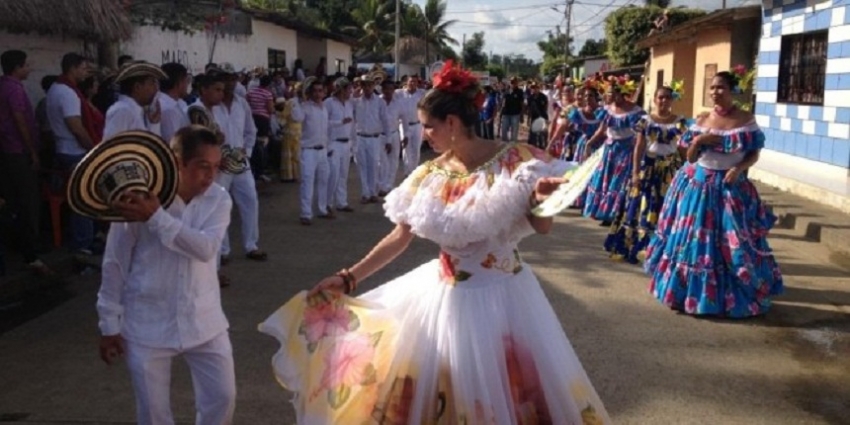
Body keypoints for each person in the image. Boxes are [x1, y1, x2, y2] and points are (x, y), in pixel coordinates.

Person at [259, 61, 610, 424]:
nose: (423, 133)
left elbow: (543, 226)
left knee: (514, 392)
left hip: (507, 298)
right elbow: (399, 237)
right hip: (447, 299)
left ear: (453, 124)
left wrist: (538, 199)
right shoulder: (429, 174)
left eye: (429, 126)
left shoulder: (515, 159)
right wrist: (349, 277)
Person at [97, 126, 236, 425]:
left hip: (205, 320)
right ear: (176, 162)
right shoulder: (135, 201)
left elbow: (206, 248)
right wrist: (109, 323)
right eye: (202, 167)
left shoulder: (219, 199)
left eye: (215, 168)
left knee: (223, 397)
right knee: (153, 413)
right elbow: (114, 264)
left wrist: (157, 218)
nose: (210, 177)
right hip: (147, 321)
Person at [644, 71, 783, 318]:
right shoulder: (702, 119)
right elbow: (689, 157)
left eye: (720, 88)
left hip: (731, 189)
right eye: (712, 88)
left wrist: (739, 169)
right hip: (700, 188)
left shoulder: (745, 119)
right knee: (695, 242)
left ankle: (732, 296)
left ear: (732, 91)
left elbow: (753, 152)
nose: (715, 92)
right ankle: (687, 295)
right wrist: (698, 142)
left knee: (733, 243)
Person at [604, 85, 687, 264]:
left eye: (667, 97)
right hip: (648, 168)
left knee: (669, 206)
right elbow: (639, 147)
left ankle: (666, 251)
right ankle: (638, 247)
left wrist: (687, 170)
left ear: (672, 100)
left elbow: (682, 148)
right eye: (660, 97)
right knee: (641, 205)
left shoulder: (679, 121)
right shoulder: (645, 120)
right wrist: (635, 173)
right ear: (654, 99)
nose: (663, 101)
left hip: (670, 169)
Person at [0, 49, 53, 275]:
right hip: (17, 151)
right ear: (17, 68)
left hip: (7, 151)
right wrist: (32, 151)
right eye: (27, 65)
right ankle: (30, 253)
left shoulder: (4, 86)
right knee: (28, 202)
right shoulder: (13, 89)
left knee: (12, 201)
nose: (30, 69)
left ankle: (20, 247)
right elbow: (20, 120)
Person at [47, 52, 99, 254]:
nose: (86, 72)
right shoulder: (68, 93)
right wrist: (93, 149)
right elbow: (76, 127)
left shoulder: (56, 89)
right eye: (83, 68)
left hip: (64, 148)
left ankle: (86, 238)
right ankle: (83, 242)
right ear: (73, 68)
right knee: (83, 198)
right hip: (73, 150)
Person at [213, 67, 265, 263]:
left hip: (241, 160)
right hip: (220, 163)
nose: (230, 84)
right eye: (226, 80)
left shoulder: (241, 103)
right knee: (220, 204)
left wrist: (248, 152)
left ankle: (251, 245)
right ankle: (223, 250)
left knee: (250, 200)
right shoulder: (210, 106)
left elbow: (251, 130)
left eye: (233, 79)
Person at [582, 80, 645, 226]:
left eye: (612, 92)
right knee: (605, 180)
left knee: (619, 183)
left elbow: (642, 134)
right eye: (608, 92)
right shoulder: (606, 110)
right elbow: (602, 130)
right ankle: (604, 213)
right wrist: (589, 143)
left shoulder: (636, 112)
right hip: (610, 150)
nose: (609, 95)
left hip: (626, 151)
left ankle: (616, 213)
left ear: (621, 93)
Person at [297, 77, 331, 225]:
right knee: (307, 182)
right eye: (315, 91)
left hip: (322, 150)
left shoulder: (324, 108)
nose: (318, 93)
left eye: (320, 91)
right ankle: (306, 213)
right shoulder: (305, 107)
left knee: (324, 181)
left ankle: (322, 209)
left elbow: (326, 130)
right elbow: (296, 117)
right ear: (310, 92)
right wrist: (297, 99)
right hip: (308, 150)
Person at [103, 61, 165, 138]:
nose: (156, 89)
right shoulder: (123, 111)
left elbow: (150, 145)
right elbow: (112, 146)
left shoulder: (135, 111)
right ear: (137, 87)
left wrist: (153, 124)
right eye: (152, 83)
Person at [352, 75, 389, 204]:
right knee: (362, 166)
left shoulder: (380, 102)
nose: (367, 88)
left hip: (374, 137)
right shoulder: (356, 102)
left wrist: (388, 139)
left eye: (369, 85)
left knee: (374, 166)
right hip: (360, 137)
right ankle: (365, 193)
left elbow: (385, 121)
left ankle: (373, 192)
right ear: (361, 86)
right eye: (364, 85)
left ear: (373, 85)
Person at [324, 77, 356, 214]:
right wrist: (340, 122)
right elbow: (324, 123)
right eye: (348, 89)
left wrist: (353, 143)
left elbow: (353, 125)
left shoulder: (349, 104)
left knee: (343, 174)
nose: (351, 92)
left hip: (346, 142)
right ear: (341, 89)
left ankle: (342, 202)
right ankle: (327, 203)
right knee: (333, 175)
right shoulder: (329, 103)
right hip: (333, 142)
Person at [378, 79, 406, 196]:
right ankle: (382, 185)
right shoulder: (377, 101)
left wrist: (406, 135)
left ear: (394, 90)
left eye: (391, 89)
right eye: (386, 89)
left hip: (394, 134)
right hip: (381, 135)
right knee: (382, 162)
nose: (388, 91)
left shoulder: (398, 102)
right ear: (382, 89)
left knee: (394, 160)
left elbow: (404, 119)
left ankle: (389, 185)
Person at [246, 75, 275, 181]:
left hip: (252, 118)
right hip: (263, 120)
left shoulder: (251, 91)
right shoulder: (268, 94)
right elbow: (270, 109)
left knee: (253, 143)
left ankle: (254, 167)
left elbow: (247, 103)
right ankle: (261, 169)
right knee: (263, 145)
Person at [396, 75, 426, 176]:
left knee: (416, 149)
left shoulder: (421, 93)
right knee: (406, 148)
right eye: (411, 81)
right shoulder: (399, 93)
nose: (412, 83)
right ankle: (407, 172)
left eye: (415, 82)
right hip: (404, 125)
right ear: (406, 82)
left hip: (417, 124)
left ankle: (414, 171)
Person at [158, 62, 191, 143]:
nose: (187, 85)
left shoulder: (177, 104)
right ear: (179, 83)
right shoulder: (168, 109)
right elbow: (173, 142)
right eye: (186, 81)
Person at [280, 82, 304, 183]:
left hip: (295, 130)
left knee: (293, 154)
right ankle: (292, 175)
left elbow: (284, 116)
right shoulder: (293, 102)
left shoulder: (299, 102)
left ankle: (292, 175)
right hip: (294, 130)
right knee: (292, 154)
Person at [500, 76, 524, 141]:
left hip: (515, 114)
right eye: (512, 82)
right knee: (504, 131)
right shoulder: (506, 91)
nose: (513, 83)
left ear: (517, 83)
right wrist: (501, 113)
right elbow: (503, 103)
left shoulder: (520, 91)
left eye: (514, 82)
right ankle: (505, 146)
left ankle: (513, 146)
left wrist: (522, 115)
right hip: (506, 114)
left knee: (514, 133)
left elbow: (522, 104)